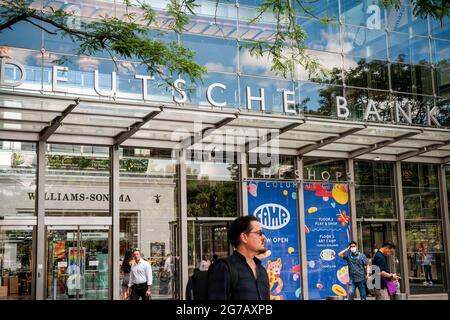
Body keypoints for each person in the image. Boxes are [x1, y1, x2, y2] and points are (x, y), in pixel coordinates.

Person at [208, 215, 270, 300]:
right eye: (259, 233)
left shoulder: (262, 270)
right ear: (244, 237)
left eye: (263, 234)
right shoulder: (225, 268)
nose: (264, 238)